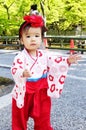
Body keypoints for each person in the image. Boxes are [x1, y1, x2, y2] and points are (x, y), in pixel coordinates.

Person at [11, 14, 81, 130]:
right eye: (28, 36)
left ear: (41, 39)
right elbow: (15, 69)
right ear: (21, 40)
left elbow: (55, 62)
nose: (33, 39)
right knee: (20, 117)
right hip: (24, 90)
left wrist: (67, 60)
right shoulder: (20, 57)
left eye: (36, 36)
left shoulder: (44, 55)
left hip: (41, 90)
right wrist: (22, 73)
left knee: (43, 117)